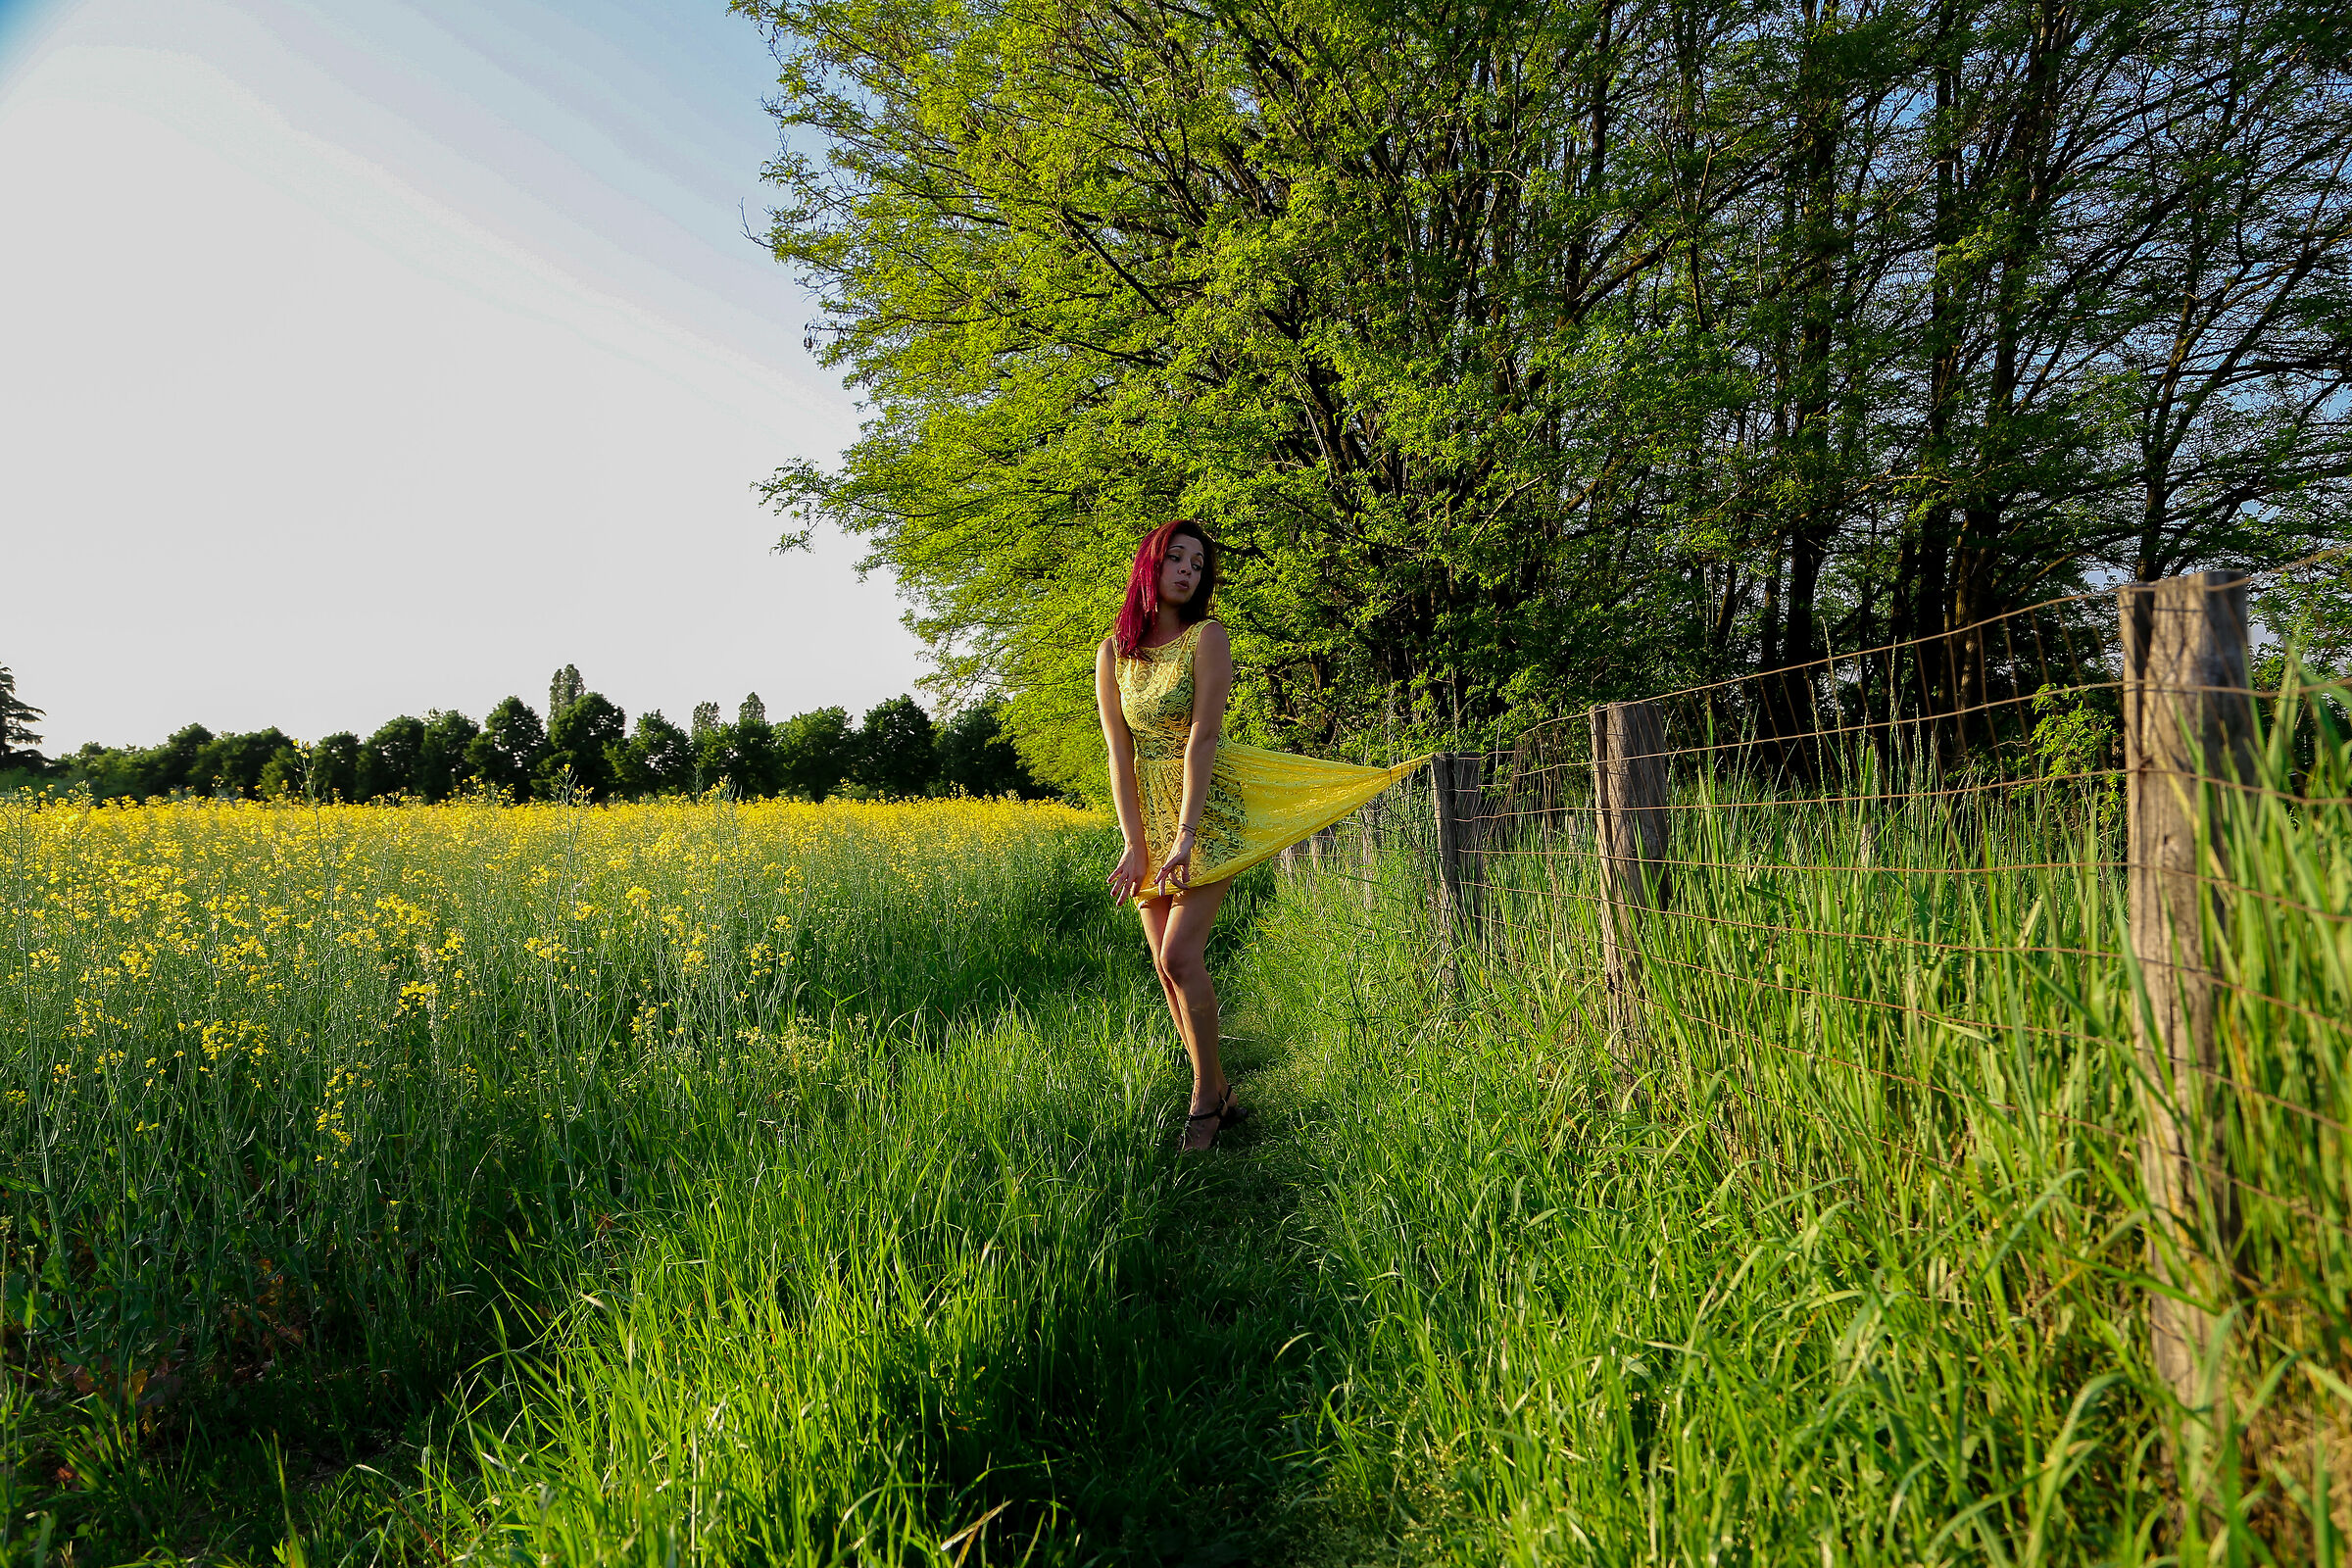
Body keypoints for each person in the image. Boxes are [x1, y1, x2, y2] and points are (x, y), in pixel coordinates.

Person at [1096, 518, 1427, 1151]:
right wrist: (1136, 843)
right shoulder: (1115, 651)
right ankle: (1216, 1087)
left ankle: (1204, 1101)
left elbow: (1203, 737)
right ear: (1152, 563)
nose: (1189, 570)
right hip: (1150, 810)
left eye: (1198, 563)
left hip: (1207, 811)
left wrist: (1185, 837)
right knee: (1165, 971)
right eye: (1177, 558)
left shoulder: (1206, 638)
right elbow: (1119, 754)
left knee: (1178, 957)